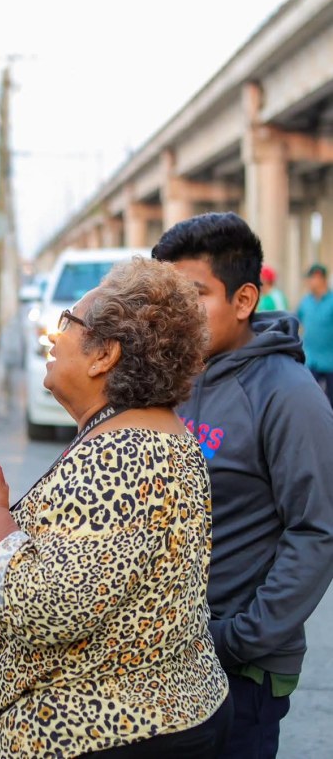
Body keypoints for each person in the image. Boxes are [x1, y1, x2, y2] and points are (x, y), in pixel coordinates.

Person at [0, 257, 232, 757]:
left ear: (104, 356)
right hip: (151, 720)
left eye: (67, 323)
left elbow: (43, 606)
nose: (53, 337)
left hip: (97, 732)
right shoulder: (142, 435)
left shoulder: (124, 458)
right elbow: (49, 551)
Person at [153, 212, 333, 758]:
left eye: (194, 295)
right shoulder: (170, 379)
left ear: (244, 299)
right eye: (167, 298)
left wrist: (238, 639)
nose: (175, 314)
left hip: (239, 672)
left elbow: (317, 531)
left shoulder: (287, 394)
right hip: (157, 661)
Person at [296, 262, 333, 407]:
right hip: (311, 360)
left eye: (311, 278)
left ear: (320, 278)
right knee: (311, 401)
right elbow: (296, 321)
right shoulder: (306, 302)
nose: (309, 282)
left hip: (330, 361)